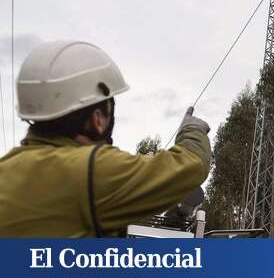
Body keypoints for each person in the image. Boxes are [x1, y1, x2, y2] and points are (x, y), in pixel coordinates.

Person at [0, 40, 212, 237]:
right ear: (98, 118)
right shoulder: (91, 172)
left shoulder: (7, 168)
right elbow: (190, 167)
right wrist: (192, 130)